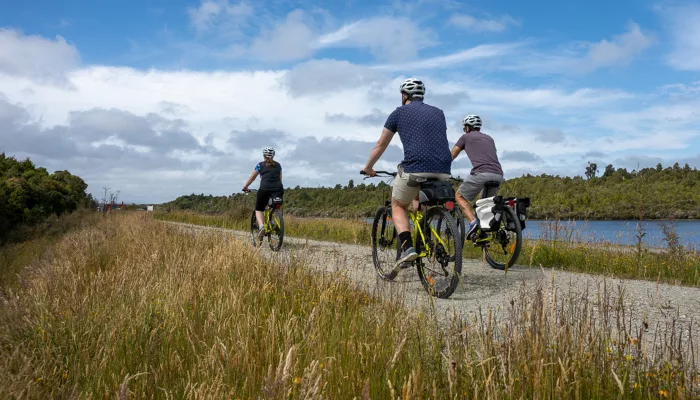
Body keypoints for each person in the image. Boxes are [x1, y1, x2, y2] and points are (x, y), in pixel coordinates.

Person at [361, 78, 452, 271]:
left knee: (398, 205)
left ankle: (408, 248)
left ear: (404, 95)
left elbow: (381, 144)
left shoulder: (398, 113)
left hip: (415, 167)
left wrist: (368, 167)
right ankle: (426, 236)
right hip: (443, 168)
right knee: (419, 202)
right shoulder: (439, 113)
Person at [451, 114, 504, 239]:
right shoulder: (489, 138)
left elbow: (452, 154)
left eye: (465, 128)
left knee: (459, 196)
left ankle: (473, 222)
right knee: (483, 204)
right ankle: (484, 233)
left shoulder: (465, 137)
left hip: (481, 173)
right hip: (498, 175)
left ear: (468, 127)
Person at [242, 147, 284, 239]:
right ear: (273, 155)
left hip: (264, 189)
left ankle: (261, 227)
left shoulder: (260, 165)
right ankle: (272, 222)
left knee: (259, 209)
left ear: (263, 155)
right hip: (278, 189)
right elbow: (280, 179)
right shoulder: (279, 165)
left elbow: (252, 178)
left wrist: (245, 187)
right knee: (272, 206)